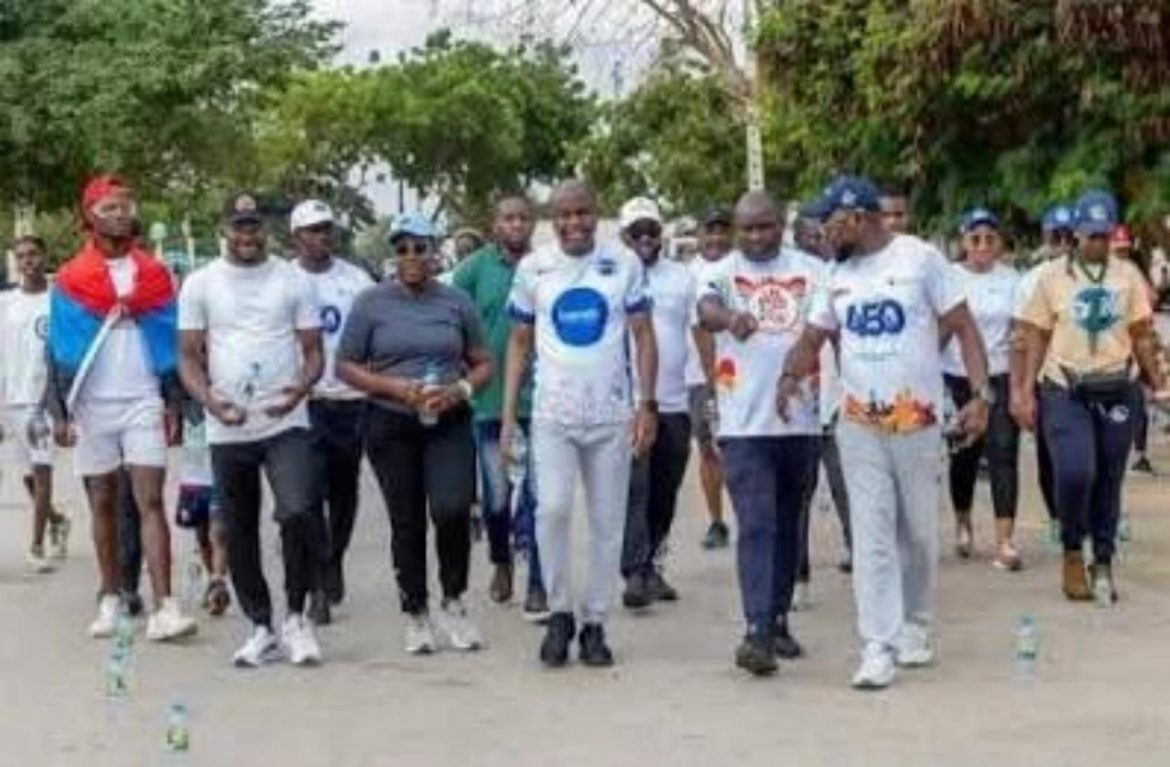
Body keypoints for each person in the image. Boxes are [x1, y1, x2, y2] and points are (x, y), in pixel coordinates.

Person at [779, 175, 990, 690]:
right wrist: (788, 377)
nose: (823, 234)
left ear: (857, 216)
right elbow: (813, 336)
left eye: (829, 223)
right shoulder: (835, 275)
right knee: (872, 533)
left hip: (916, 422)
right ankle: (877, 644)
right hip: (859, 423)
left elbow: (964, 327)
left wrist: (982, 396)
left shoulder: (920, 259)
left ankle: (915, 624)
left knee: (916, 532)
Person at [501, 180, 658, 668]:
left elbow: (643, 336)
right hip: (553, 415)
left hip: (610, 415)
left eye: (583, 213)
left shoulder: (623, 263)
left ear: (596, 213)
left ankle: (595, 623)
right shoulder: (534, 268)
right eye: (565, 215)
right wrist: (507, 415)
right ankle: (559, 612)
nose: (575, 223)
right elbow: (519, 343)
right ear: (553, 220)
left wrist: (646, 405)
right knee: (550, 511)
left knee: (607, 522)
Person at [178, 191, 326, 667]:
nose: (247, 234)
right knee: (238, 528)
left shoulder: (292, 279)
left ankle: (297, 616)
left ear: (267, 228)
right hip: (229, 426)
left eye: (254, 225)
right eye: (239, 225)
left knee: (299, 510)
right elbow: (187, 358)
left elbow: (314, 352)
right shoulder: (201, 284)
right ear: (225, 228)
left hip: (285, 420)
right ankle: (261, 625)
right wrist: (210, 401)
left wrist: (299, 389)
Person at [45, 176, 196, 642]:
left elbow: (171, 341)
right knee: (103, 503)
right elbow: (58, 350)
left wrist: (174, 401)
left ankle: (165, 607)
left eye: (125, 207)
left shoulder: (154, 275)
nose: (119, 214)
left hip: (142, 399)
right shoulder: (70, 279)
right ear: (90, 216)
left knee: (150, 500)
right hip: (92, 405)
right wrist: (60, 413)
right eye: (108, 208)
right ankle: (110, 598)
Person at [337, 212, 493, 655]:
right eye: (402, 248)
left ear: (434, 252)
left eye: (420, 248)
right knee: (406, 519)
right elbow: (344, 365)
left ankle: (453, 599)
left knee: (451, 508)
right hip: (390, 420)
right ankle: (416, 609)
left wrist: (459, 389)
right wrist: (393, 387)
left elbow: (484, 362)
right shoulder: (371, 303)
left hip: (448, 417)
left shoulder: (456, 302)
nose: (411, 256)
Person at [1012, 190, 1168, 605]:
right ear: (1075, 233)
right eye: (1089, 235)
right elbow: (1034, 335)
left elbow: (1141, 334)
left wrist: (1158, 382)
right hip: (1065, 389)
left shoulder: (1128, 276)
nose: (1097, 242)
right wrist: (1024, 391)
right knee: (1075, 472)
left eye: (1103, 234)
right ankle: (1071, 549)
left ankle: (1102, 560)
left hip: (1117, 387)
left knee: (1108, 479)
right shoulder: (1051, 277)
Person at [698, 191, 826, 676]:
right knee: (756, 523)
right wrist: (730, 318)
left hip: (801, 419)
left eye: (766, 226)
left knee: (790, 523)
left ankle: (776, 619)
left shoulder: (812, 270)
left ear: (781, 225)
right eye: (747, 228)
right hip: (744, 423)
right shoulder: (721, 271)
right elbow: (706, 308)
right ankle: (755, 630)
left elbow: (824, 328)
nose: (756, 236)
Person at [452, 193, 548, 620]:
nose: (516, 225)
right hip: (490, 402)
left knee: (541, 496)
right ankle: (501, 561)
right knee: (497, 496)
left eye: (523, 218)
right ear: (495, 224)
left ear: (533, 223)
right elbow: (452, 322)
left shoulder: (547, 266)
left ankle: (538, 582)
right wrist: (463, 375)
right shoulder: (473, 270)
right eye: (508, 218)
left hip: (542, 399)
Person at [290, 199, 374, 624]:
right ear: (296, 237)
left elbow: (373, 334)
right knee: (307, 495)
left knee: (343, 492)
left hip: (349, 400)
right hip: (304, 402)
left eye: (325, 228)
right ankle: (317, 581)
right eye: (311, 230)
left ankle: (334, 557)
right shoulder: (284, 279)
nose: (320, 236)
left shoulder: (356, 280)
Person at [617, 197, 694, 610]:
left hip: (675, 400)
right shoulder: (613, 275)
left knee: (665, 490)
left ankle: (651, 562)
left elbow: (698, 333)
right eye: (636, 232)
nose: (645, 238)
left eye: (651, 230)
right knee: (636, 488)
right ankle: (635, 572)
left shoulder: (682, 277)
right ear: (624, 236)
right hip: (629, 401)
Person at [944, 210, 1022, 569]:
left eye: (990, 239)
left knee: (1004, 452)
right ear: (964, 242)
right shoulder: (949, 277)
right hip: (957, 375)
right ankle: (963, 522)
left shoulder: (1012, 280)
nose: (983, 245)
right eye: (975, 239)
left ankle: (1005, 540)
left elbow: (1019, 331)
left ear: (1000, 243)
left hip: (1000, 374)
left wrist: (1021, 383)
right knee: (965, 456)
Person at [790, 210, 852, 593]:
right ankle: (798, 574)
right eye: (809, 237)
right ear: (796, 240)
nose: (817, 243)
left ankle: (858, 553)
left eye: (821, 235)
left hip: (836, 402)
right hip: (797, 406)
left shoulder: (841, 276)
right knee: (799, 493)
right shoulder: (787, 281)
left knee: (847, 486)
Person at [2, 236, 71, 573]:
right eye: (21, 256)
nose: (27, 261)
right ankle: (57, 520)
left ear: (44, 257)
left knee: (43, 472)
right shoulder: (6, 303)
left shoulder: (57, 301)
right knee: (28, 477)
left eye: (32, 254)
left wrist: (62, 405)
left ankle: (36, 546)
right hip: (10, 400)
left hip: (42, 400)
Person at [1013, 204, 1076, 542]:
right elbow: (1021, 339)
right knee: (1050, 455)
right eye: (1056, 237)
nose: (1063, 244)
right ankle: (1057, 520)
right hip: (1047, 380)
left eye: (1069, 237)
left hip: (1092, 378)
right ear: (1044, 237)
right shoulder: (1030, 281)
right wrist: (1022, 390)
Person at [688, 207, 733, 550]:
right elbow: (698, 328)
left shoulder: (740, 268)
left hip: (739, 375)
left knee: (742, 449)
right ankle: (717, 521)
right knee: (707, 448)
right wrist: (710, 379)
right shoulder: (687, 274)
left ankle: (750, 514)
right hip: (699, 378)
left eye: (722, 230)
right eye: (710, 230)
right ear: (699, 235)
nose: (716, 237)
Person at [174, 396, 231, 616]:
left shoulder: (223, 393)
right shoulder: (187, 398)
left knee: (218, 531)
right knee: (202, 534)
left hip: (220, 472)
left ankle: (218, 581)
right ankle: (211, 577)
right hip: (194, 476)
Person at [1110, 225, 1159, 476]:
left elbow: (1152, 299)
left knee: (1138, 398)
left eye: (1125, 249)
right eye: (1118, 250)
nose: (1122, 253)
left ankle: (1139, 453)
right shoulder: (1102, 272)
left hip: (1133, 343)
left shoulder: (1133, 271)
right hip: (1111, 348)